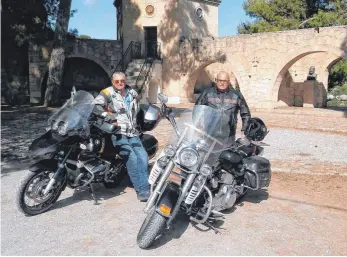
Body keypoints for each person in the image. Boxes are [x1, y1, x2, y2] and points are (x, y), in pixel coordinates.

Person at [93, 72, 150, 202]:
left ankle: (144, 185)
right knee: (133, 158)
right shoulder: (107, 93)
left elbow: (136, 111)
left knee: (143, 157)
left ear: (125, 81)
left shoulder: (132, 93)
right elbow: (96, 107)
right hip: (117, 133)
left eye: (122, 81)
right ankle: (142, 190)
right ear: (113, 82)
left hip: (133, 132)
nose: (120, 83)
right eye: (117, 81)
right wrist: (109, 118)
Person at [195, 71, 251, 143]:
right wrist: (199, 127)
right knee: (209, 153)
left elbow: (245, 114)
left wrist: (244, 130)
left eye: (225, 81)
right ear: (216, 80)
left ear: (228, 81)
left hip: (229, 135)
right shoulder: (207, 93)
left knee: (227, 154)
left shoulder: (236, 95)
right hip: (210, 134)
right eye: (220, 80)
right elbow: (197, 110)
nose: (222, 83)